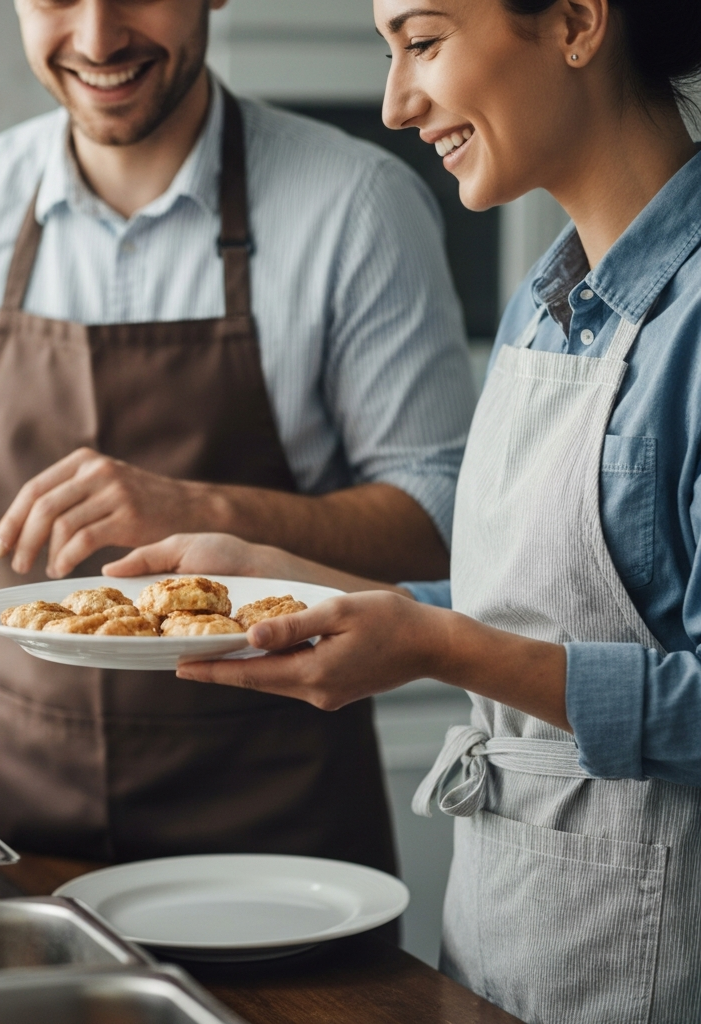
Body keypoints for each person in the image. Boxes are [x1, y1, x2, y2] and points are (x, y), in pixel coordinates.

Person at [0, 0, 476, 869]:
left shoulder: (358, 204)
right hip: (33, 817)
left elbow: (437, 525)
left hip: (281, 825)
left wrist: (196, 507)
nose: (99, 39)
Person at [107, 0, 701, 1018]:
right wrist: (274, 580)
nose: (393, 103)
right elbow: (514, 606)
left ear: (572, 20)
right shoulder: (549, 300)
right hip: (509, 943)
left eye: (422, 43)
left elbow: (481, 643)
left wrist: (436, 649)